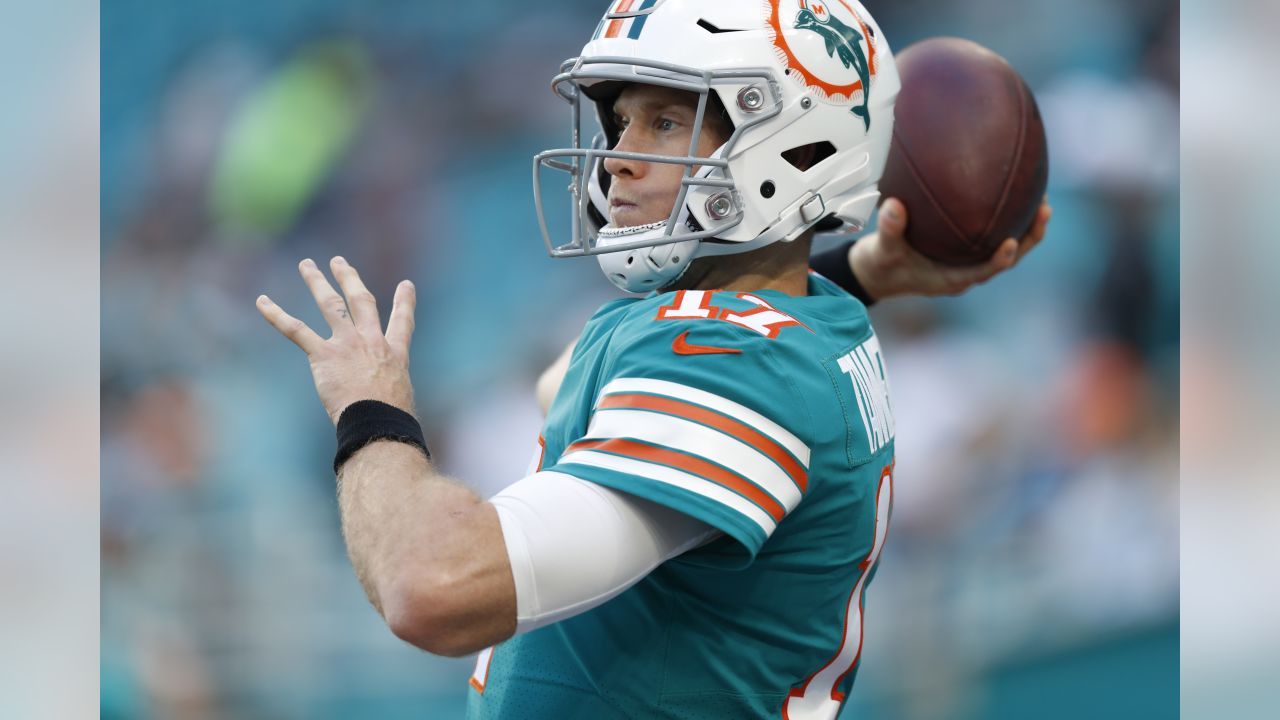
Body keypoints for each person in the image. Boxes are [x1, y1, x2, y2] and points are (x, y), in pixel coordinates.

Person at [255, 1, 1049, 718]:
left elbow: (430, 588)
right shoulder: (796, 315)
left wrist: (371, 410)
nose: (618, 160)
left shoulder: (742, 364)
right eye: (622, 121)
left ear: (797, 141)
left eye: (667, 123)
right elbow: (561, 387)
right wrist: (863, 267)